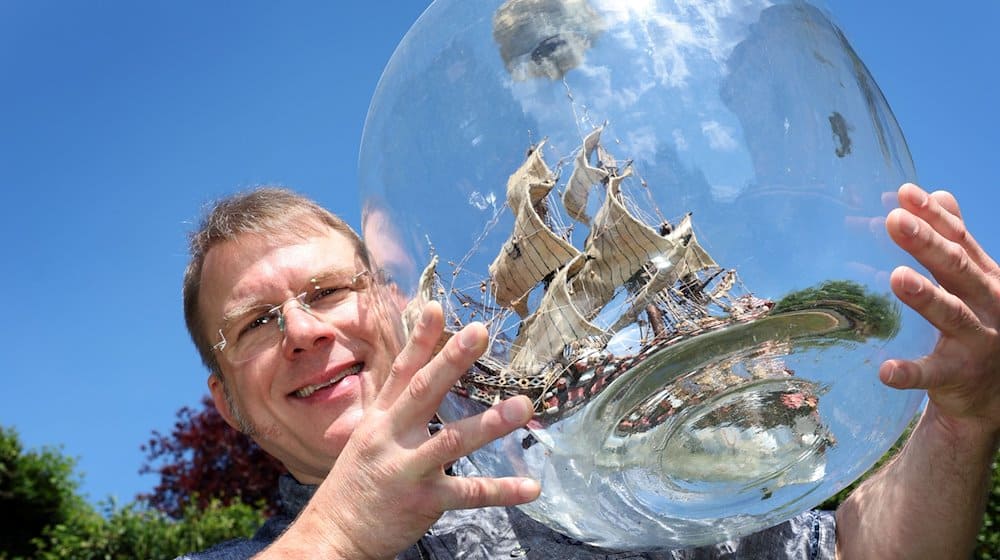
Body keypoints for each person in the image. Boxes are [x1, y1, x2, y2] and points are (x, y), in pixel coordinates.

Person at [179, 183, 998, 559]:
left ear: (391, 306)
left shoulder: (607, 476)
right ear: (227, 404)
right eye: (255, 323)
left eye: (328, 291)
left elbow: (864, 553)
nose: (303, 331)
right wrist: (345, 533)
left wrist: (961, 424)